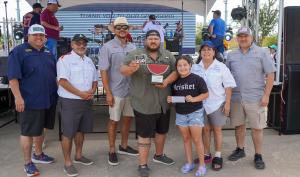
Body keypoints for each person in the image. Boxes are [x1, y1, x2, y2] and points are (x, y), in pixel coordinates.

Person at [120, 30, 177, 177]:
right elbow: (122, 69)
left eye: (156, 38)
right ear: (146, 41)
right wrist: (131, 68)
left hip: (163, 103)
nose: (153, 41)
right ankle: (143, 164)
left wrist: (166, 81)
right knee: (144, 135)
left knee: (161, 132)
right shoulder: (135, 54)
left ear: (160, 40)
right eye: (150, 38)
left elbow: (176, 71)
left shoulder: (167, 55)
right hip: (143, 103)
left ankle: (159, 155)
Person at [7, 24, 57, 177]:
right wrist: (18, 97)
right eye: (35, 35)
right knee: (27, 132)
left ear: (45, 37)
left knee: (41, 128)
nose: (38, 38)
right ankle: (28, 163)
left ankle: (39, 154)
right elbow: (13, 78)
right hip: (29, 100)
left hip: (48, 99)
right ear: (28, 36)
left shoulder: (48, 52)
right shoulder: (18, 52)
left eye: (41, 35)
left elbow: (54, 76)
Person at [226, 27, 276, 169]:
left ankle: (258, 155)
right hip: (236, 97)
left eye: (245, 36)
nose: (243, 39)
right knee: (239, 125)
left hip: (256, 98)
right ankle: (240, 149)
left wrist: (266, 95)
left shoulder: (262, 52)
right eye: (240, 36)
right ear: (237, 38)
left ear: (251, 37)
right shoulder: (231, 55)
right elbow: (226, 76)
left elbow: (271, 74)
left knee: (257, 128)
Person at [99, 17, 138, 166]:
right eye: (119, 27)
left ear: (128, 30)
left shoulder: (133, 48)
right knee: (114, 121)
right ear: (114, 30)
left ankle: (123, 145)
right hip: (115, 91)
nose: (122, 30)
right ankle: (111, 150)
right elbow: (103, 71)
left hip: (130, 90)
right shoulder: (107, 47)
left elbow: (136, 68)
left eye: (125, 27)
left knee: (128, 119)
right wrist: (107, 93)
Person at [57, 34, 98, 176]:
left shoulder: (88, 60)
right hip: (70, 101)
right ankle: (67, 162)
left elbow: (95, 79)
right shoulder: (64, 60)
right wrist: (81, 94)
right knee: (68, 133)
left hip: (86, 100)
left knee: (81, 130)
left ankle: (79, 155)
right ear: (72, 45)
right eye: (78, 43)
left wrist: (92, 91)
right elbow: (62, 81)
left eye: (84, 44)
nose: (81, 46)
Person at [192, 41, 236, 171]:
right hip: (201, 105)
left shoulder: (221, 67)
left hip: (217, 104)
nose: (206, 52)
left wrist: (227, 103)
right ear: (200, 53)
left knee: (217, 130)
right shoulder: (195, 68)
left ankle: (218, 155)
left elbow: (228, 86)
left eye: (209, 49)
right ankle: (206, 154)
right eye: (203, 50)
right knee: (205, 130)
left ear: (214, 52)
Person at [167, 56, 209, 176]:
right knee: (186, 139)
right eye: (179, 65)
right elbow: (176, 98)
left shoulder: (197, 79)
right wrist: (171, 99)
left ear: (190, 65)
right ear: (176, 68)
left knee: (197, 139)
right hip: (180, 113)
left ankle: (202, 165)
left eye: (185, 65)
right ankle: (190, 163)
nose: (182, 67)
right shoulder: (175, 82)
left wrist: (194, 99)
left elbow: (206, 94)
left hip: (195, 112)